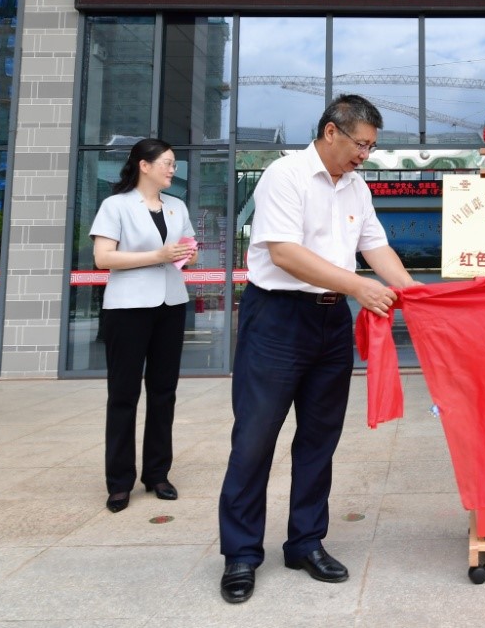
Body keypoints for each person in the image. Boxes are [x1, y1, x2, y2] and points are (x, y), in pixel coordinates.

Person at [218, 95, 417, 604]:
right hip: (277, 318)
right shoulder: (284, 175)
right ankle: (241, 553)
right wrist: (358, 286)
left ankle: (305, 542)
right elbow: (285, 253)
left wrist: (416, 296)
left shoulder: (356, 187)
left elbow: (375, 247)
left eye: (370, 148)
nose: (364, 156)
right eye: (360, 145)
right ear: (332, 132)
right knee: (255, 439)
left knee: (319, 439)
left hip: (330, 322)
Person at [89, 138, 197, 514]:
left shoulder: (177, 206)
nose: (172, 169)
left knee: (164, 392)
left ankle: (157, 474)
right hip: (128, 308)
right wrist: (159, 255)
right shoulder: (116, 205)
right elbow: (103, 258)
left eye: (174, 163)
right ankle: (119, 482)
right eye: (167, 163)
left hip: (171, 304)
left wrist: (187, 254)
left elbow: (187, 249)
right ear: (144, 166)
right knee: (123, 395)